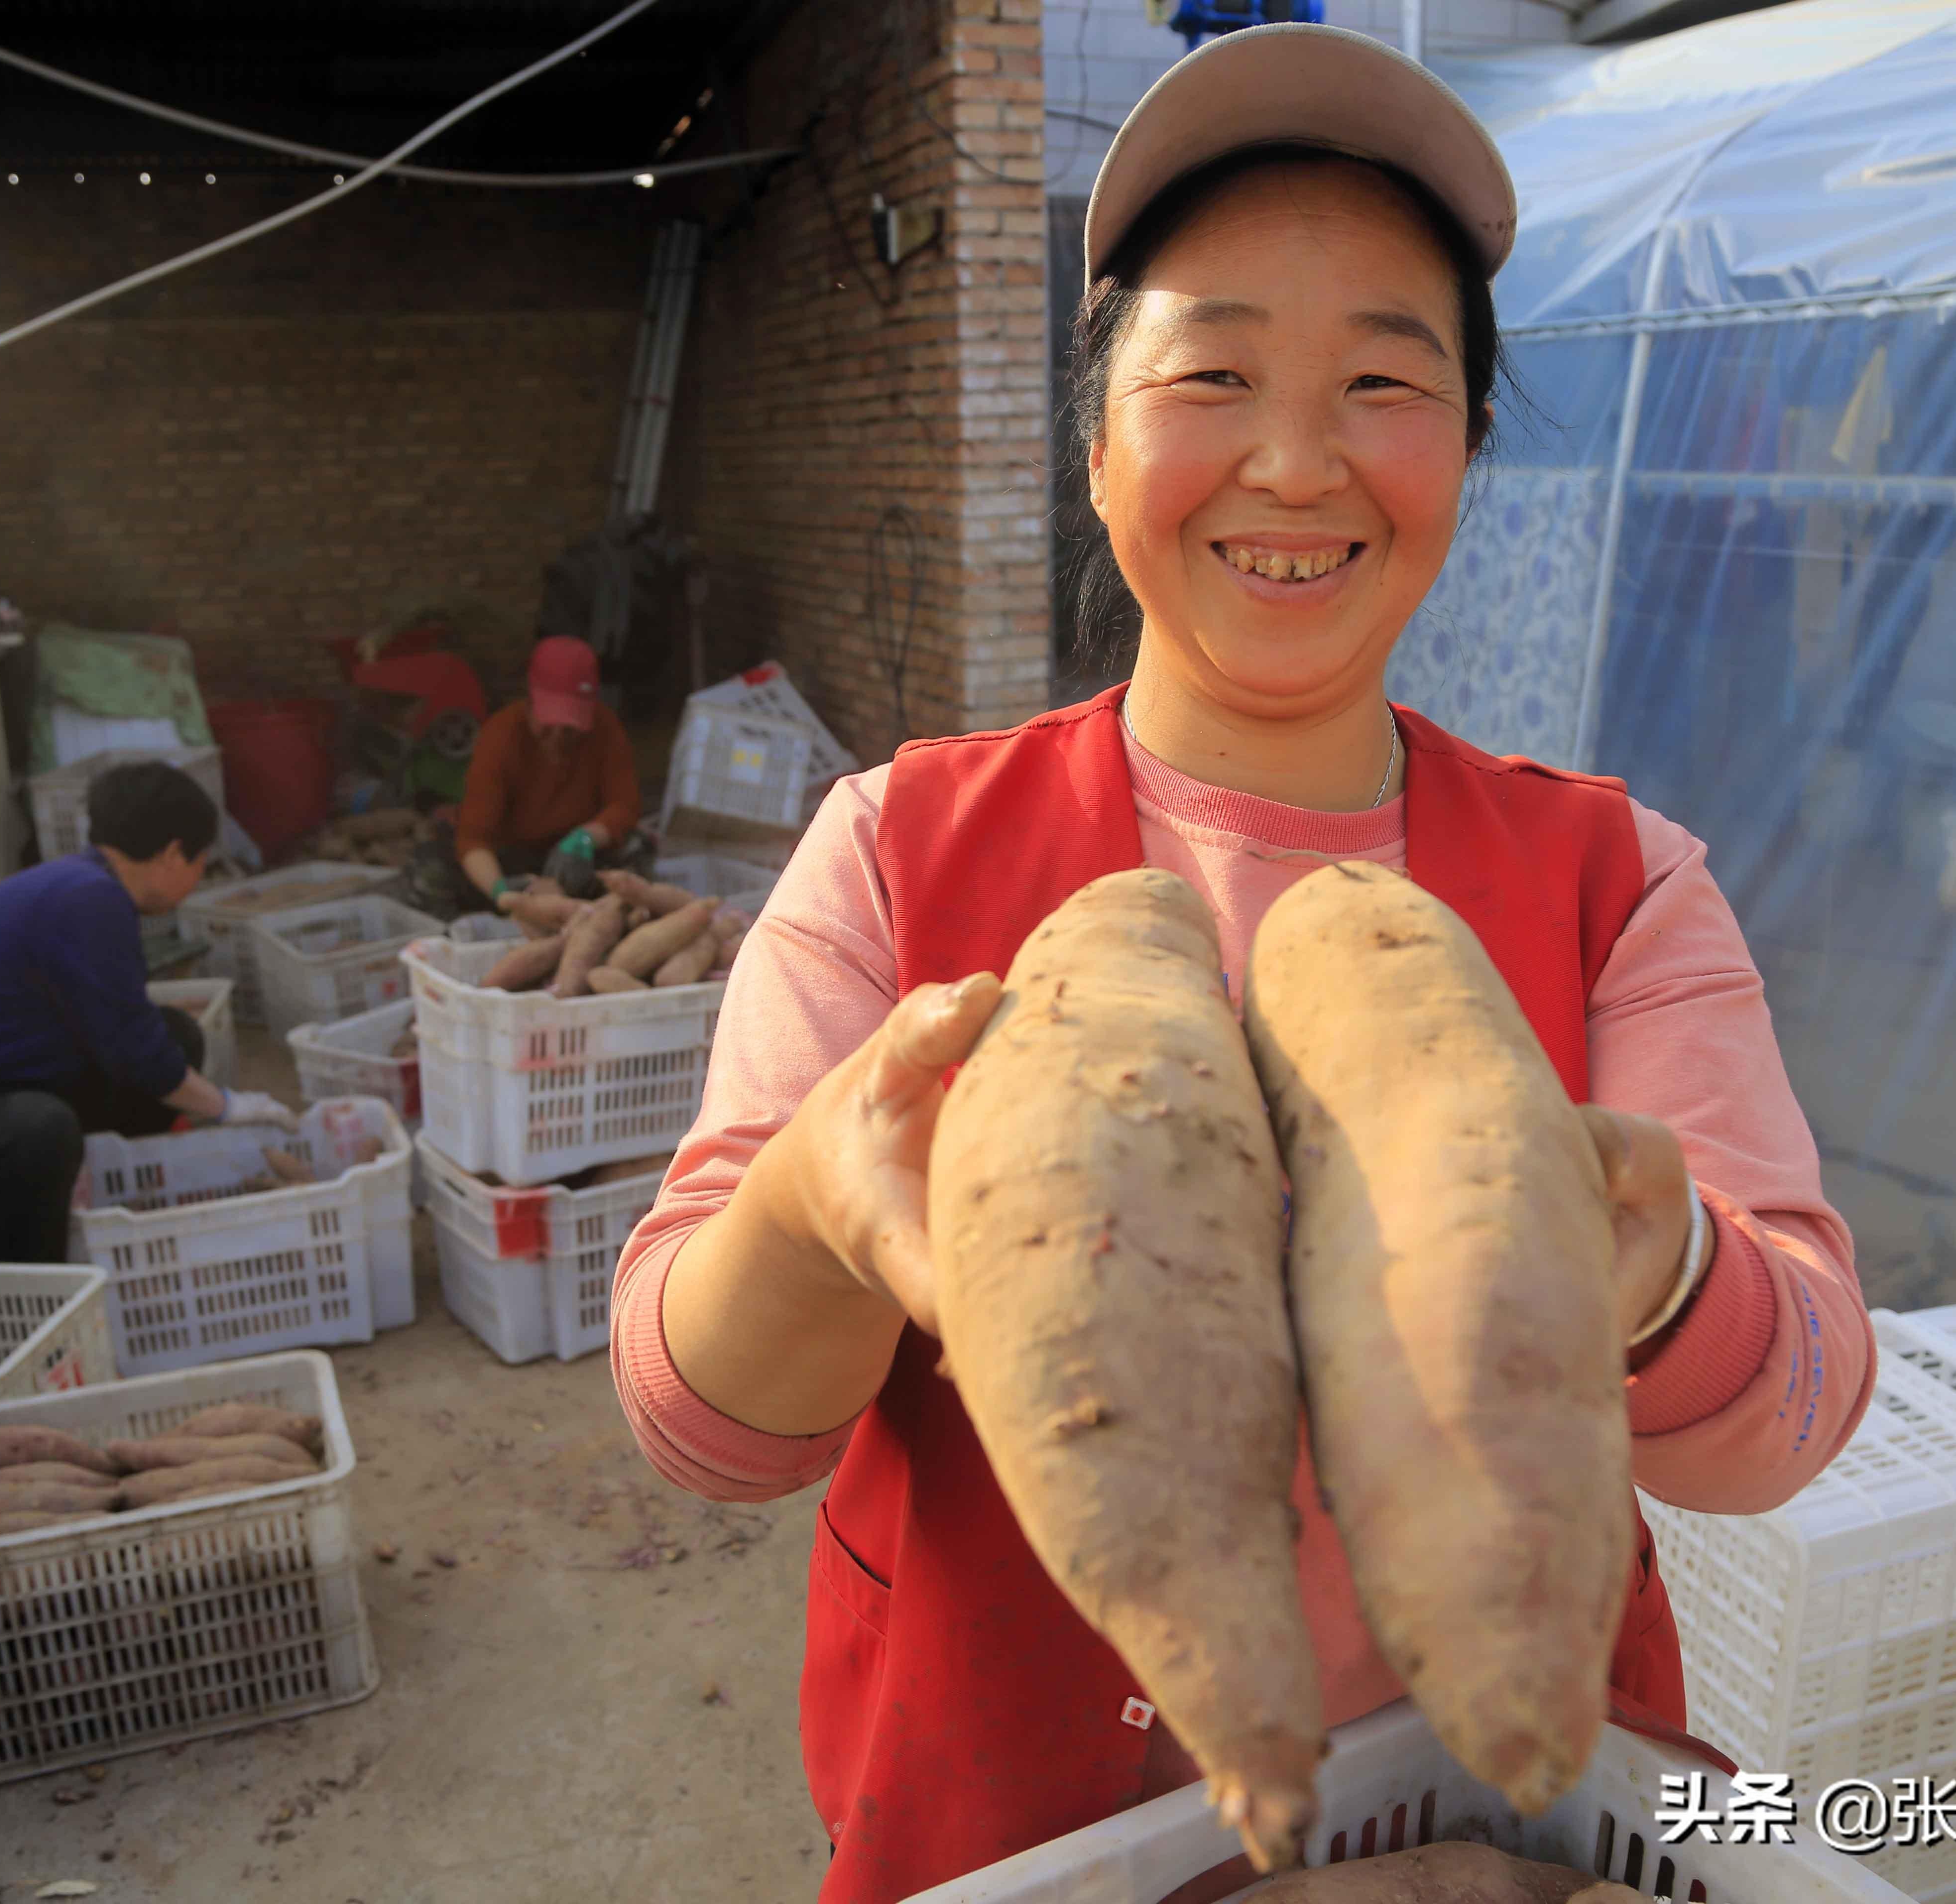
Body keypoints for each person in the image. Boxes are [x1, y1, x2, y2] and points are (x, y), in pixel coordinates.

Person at [609, 26, 1874, 1904]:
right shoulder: (895, 850)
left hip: (1489, 1831)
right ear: (1100, 439)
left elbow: (1786, 1420)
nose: (1293, 461)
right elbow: (699, 1430)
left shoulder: (1617, 878)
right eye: (1212, 374)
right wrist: (811, 1209)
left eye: (1382, 378)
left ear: (1462, 446)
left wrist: (1656, 1268)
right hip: (1009, 1837)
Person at [0, 760, 295, 1261]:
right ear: (174, 854)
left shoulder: (83, 887)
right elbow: (139, 1056)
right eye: (201, 863)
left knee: (175, 1037)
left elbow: (131, 1036)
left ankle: (109, 1198)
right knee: (41, 1129)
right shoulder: (89, 900)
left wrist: (213, 1101)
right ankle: (38, 1297)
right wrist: (230, 1107)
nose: (198, 879)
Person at [454, 635, 646, 905]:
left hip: (576, 854)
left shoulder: (605, 729)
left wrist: (586, 838)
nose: (557, 737)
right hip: (513, 855)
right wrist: (501, 893)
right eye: (548, 724)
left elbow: (625, 806)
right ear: (530, 703)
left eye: (569, 729)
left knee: (635, 853)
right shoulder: (500, 736)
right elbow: (474, 839)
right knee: (439, 870)